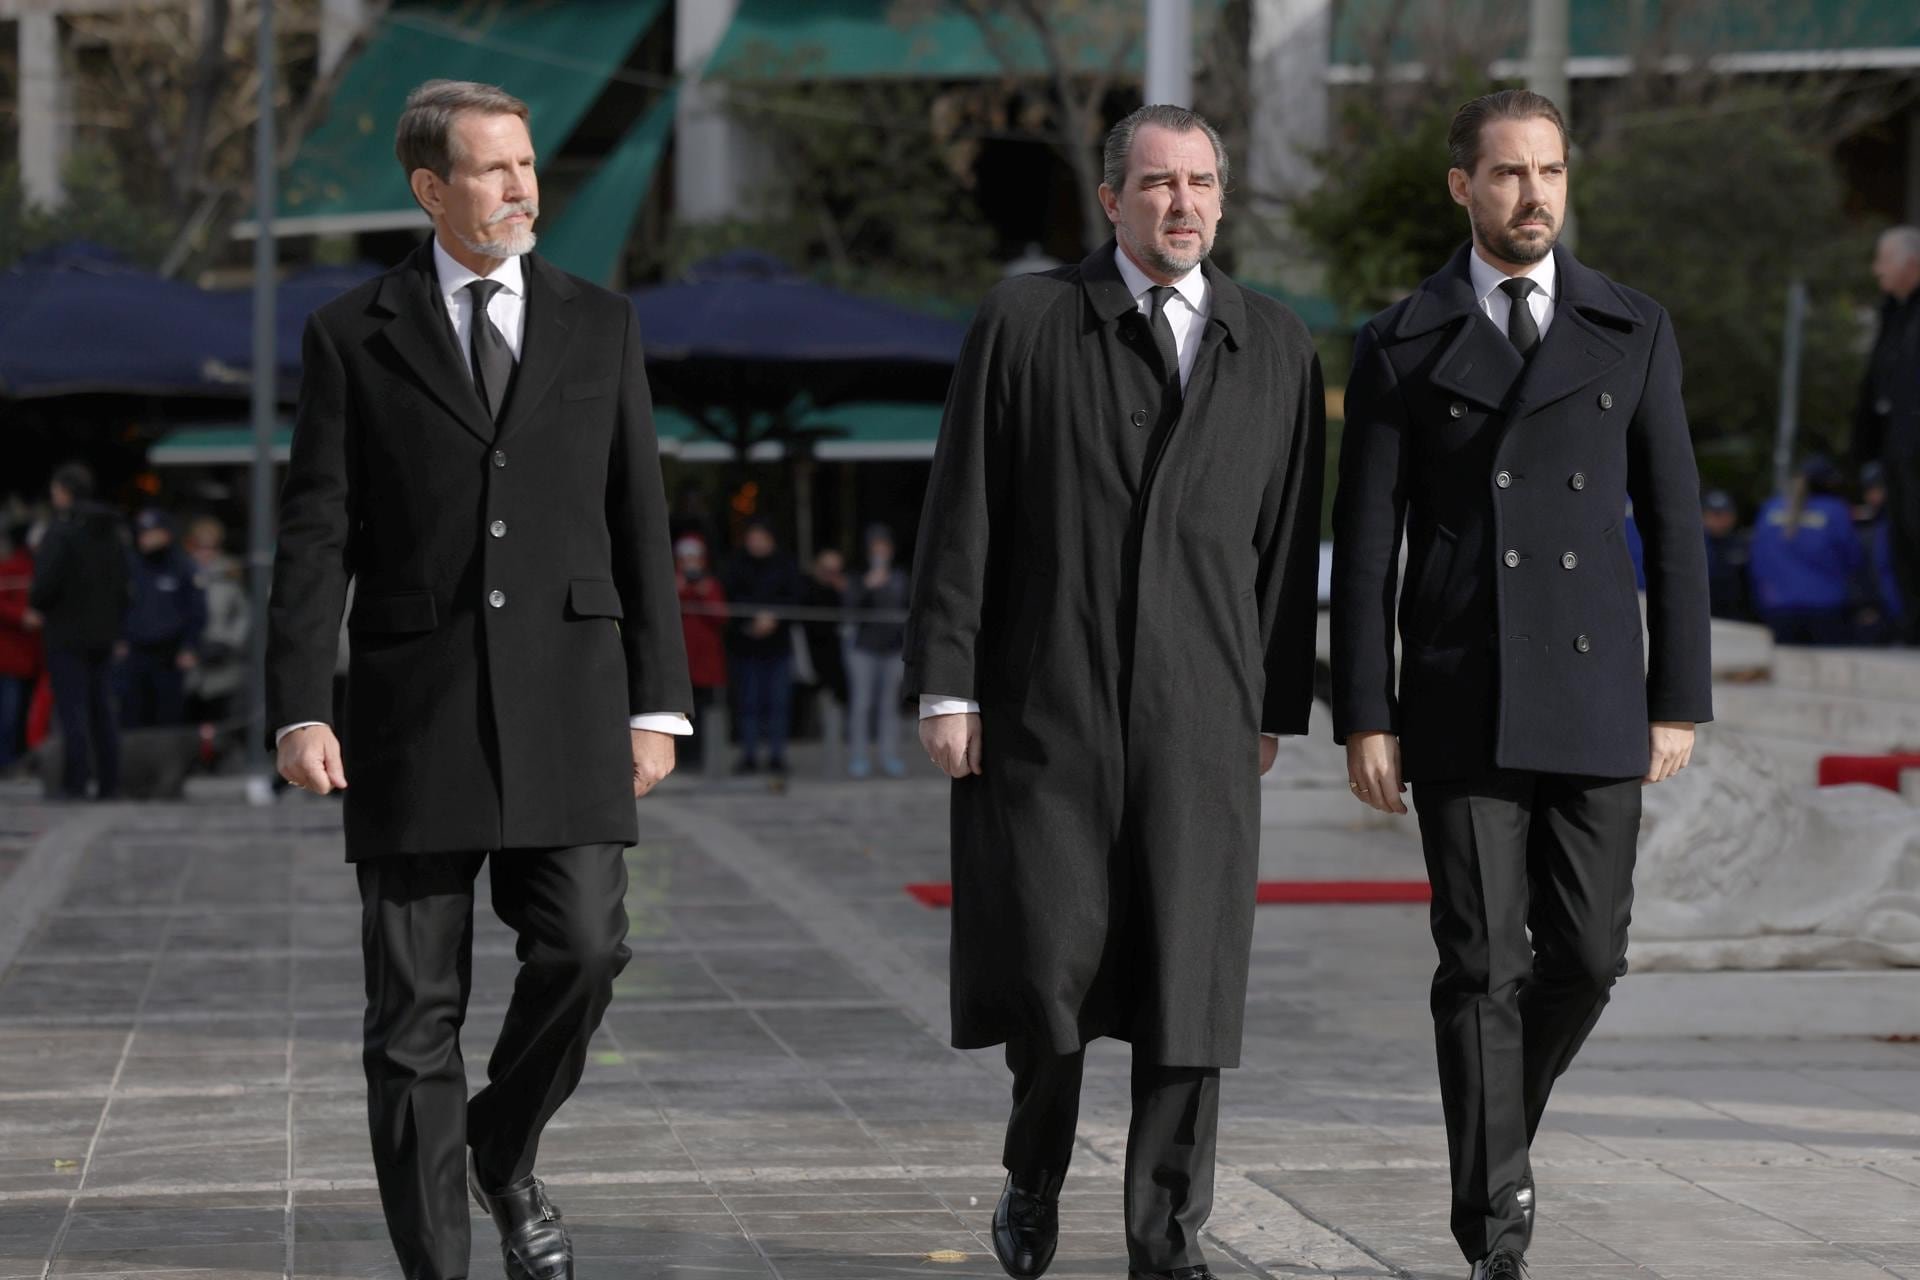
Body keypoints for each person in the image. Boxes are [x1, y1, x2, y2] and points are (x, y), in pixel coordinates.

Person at [266, 80, 691, 1280]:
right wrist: (302, 702)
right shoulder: (354, 331)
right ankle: (439, 1266)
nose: (522, 186)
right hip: (415, 712)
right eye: (494, 168)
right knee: (411, 1022)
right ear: (430, 189)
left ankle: (500, 1147)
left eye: (527, 162)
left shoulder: (599, 322)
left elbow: (637, 518)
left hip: (570, 699)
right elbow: (314, 533)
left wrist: (659, 701)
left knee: (587, 948)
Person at [907, 104, 1325, 1280]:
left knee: (1188, 980)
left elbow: (1288, 554)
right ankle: (1034, 1165)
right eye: (1156, 184)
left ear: (1223, 198)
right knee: (1050, 975)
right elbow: (963, 512)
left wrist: (1272, 708)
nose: (1181, 204)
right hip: (1049, 709)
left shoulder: (1276, 345)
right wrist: (950, 681)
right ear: (1111, 199)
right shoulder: (1027, 320)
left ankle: (1165, 1234)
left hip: (1204, 711)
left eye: (1200, 183)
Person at [1330, 90, 1712, 1280]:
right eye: (1506, 174)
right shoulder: (1401, 337)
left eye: (1548, 170)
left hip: (1600, 695)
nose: (1532, 193)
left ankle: (1501, 1131)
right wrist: (1366, 712)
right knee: (1480, 962)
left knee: (1588, 958)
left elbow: (1676, 522)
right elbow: (1366, 538)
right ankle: (1495, 1217)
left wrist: (1679, 694)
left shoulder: (1632, 325)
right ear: (1463, 187)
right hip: (1461, 692)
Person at [26, 463, 131, 800]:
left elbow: (45, 585)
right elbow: (125, 585)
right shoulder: (112, 530)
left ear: (64, 492)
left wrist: (38, 604)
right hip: (104, 633)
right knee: (103, 710)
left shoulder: (61, 531)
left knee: (72, 711)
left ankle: (75, 783)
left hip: (66, 633)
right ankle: (109, 783)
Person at [1853, 226, 1920, 643]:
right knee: (1904, 539)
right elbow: (1874, 386)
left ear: (1911, 263)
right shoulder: (1892, 313)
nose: (1876, 269)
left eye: (1883, 259)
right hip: (1898, 451)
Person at [1747, 456, 1866, 646]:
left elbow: (1757, 561)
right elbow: (1853, 558)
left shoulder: (1771, 508)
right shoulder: (1835, 511)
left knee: (1786, 671)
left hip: (1778, 606)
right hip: (1826, 606)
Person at [721, 519, 800, 775]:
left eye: (761, 537)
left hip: (778, 647)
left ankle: (777, 755)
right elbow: (729, 598)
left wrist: (773, 617)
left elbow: (795, 597)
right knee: (748, 702)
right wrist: (751, 620)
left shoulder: (785, 565)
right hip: (746, 647)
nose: (756, 543)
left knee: (778, 704)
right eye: (752, 538)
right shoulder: (736, 565)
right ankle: (749, 755)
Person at [119, 508, 207, 728]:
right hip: (135, 652)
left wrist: (189, 646)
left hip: (169, 654)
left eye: (151, 533)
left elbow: (197, 611)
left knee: (168, 716)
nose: (145, 538)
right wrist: (118, 638)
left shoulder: (182, 566)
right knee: (133, 715)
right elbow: (117, 605)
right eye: (142, 533)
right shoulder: (131, 565)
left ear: (166, 534)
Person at [845, 524, 910, 779]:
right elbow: (850, 608)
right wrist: (867, 587)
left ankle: (889, 757)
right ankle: (859, 757)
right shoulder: (858, 577)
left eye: (884, 548)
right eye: (875, 548)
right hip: (864, 649)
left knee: (889, 706)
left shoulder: (900, 577)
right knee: (862, 704)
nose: (880, 553)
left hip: (893, 649)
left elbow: (908, 606)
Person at [183, 515, 251, 730]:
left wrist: (230, 641)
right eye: (199, 546)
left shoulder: (229, 572)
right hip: (188, 659)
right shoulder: (182, 571)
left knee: (219, 718)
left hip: (221, 658)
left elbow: (244, 612)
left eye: (211, 546)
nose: (205, 552)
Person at [674, 534, 728, 770]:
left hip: (705, 662)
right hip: (679, 661)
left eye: (695, 558)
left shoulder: (711, 585)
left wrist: (704, 594)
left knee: (705, 713)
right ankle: (682, 758)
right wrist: (681, 590)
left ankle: (704, 759)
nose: (691, 563)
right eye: (686, 558)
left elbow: (720, 617)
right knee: (679, 713)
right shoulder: (672, 583)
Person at [799, 545, 851, 745]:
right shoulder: (806, 588)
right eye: (826, 569)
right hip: (810, 652)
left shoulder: (840, 590)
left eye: (835, 570)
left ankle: (834, 739)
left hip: (836, 654)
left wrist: (844, 593)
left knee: (835, 698)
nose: (831, 574)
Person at [0, 523, 41, 772]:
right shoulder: (10, 569)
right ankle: (6, 761)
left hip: (33, 657)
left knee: (26, 714)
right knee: (9, 714)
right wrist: (20, 615)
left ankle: (21, 760)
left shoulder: (39, 568)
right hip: (10, 657)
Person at [1701, 491, 1753, 622]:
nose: (1719, 519)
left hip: (1737, 617)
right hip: (1704, 616)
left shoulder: (1743, 545)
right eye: (1714, 514)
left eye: (1724, 514)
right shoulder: (1693, 548)